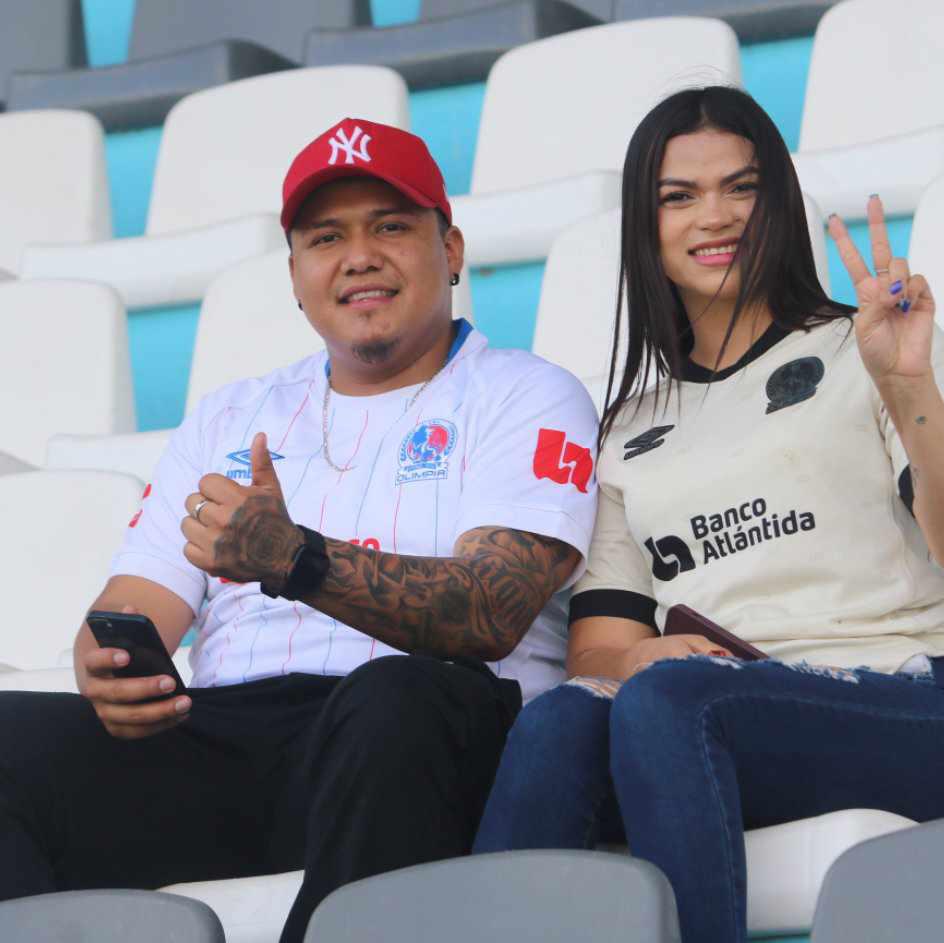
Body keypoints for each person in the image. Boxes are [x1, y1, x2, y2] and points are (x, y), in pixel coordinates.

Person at [0, 118, 598, 942]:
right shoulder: (231, 415)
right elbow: (137, 599)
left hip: (422, 734)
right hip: (234, 739)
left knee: (397, 697)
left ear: (451, 249)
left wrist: (294, 557)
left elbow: (488, 613)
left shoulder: (525, 392)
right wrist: (109, 666)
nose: (359, 256)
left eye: (390, 226)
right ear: (294, 274)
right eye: (327, 237)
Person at [473, 86, 944, 943]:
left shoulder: (872, 344)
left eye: (741, 187)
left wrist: (905, 385)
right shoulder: (629, 426)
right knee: (559, 720)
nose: (712, 217)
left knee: (672, 703)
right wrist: (647, 651)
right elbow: (597, 653)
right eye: (677, 197)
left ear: (780, 202)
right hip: (711, 714)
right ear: (644, 229)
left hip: (911, 705)